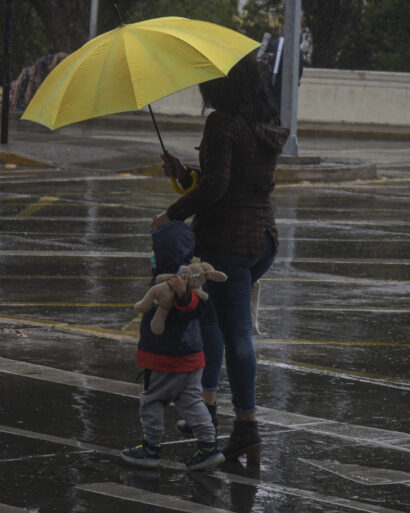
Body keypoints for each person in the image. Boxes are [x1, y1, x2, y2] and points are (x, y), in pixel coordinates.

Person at [152, 52, 289, 464]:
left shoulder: (221, 123)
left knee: (233, 335)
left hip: (226, 242)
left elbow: (216, 190)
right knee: (214, 322)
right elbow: (228, 179)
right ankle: (205, 408)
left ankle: (245, 425)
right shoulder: (263, 125)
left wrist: (170, 214)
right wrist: (183, 174)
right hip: (261, 240)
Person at [121, 221, 225, 471]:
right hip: (191, 358)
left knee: (153, 401)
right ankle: (208, 446)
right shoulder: (186, 276)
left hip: (166, 358)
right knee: (190, 401)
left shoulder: (179, 282)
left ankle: (151, 447)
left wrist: (181, 295)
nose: (152, 254)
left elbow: (190, 309)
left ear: (163, 251)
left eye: (154, 249)